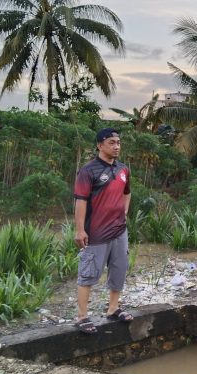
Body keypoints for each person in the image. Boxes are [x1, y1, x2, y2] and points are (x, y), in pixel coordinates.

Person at [73, 128, 134, 334]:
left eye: (118, 142)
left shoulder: (124, 170)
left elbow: (127, 193)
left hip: (119, 231)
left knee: (119, 269)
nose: (116, 146)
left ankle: (113, 308)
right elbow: (80, 201)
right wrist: (80, 230)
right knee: (89, 273)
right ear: (100, 145)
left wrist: (124, 212)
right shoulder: (88, 171)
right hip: (96, 233)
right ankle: (82, 317)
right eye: (111, 142)